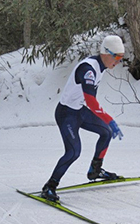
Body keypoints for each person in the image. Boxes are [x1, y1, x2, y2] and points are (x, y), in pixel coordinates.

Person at [41, 35, 125, 202]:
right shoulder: (88, 69)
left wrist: (108, 123)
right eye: (117, 57)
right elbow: (91, 102)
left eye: (121, 58)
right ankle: (49, 186)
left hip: (79, 111)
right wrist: (110, 119)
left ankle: (95, 171)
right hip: (66, 114)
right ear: (106, 53)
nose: (118, 62)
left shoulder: (101, 67)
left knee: (106, 133)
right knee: (73, 152)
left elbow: (88, 102)